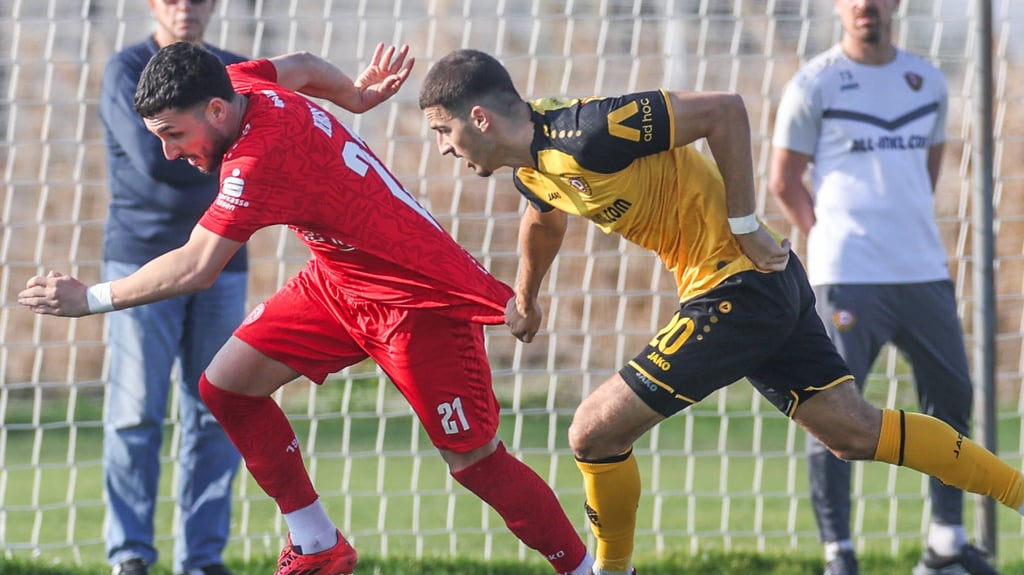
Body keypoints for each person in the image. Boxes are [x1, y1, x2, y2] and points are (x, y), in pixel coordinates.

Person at [417, 48, 1024, 575]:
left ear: (480, 118)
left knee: (593, 432)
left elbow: (725, 110)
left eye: (444, 130)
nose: (443, 147)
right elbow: (543, 218)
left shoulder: (590, 131)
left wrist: (745, 223)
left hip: (737, 287)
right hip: (761, 287)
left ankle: (611, 570)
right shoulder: (535, 163)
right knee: (854, 432)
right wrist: (526, 297)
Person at [20, 41, 596, 575]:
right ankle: (317, 543)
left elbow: (197, 266)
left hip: (412, 302)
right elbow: (300, 65)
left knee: (475, 462)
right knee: (227, 387)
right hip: (339, 281)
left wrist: (91, 298)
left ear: (217, 111)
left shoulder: (258, 158)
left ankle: (584, 568)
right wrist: (353, 96)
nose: (169, 152)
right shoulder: (239, 83)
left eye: (173, 135)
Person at [768, 1, 999, 574]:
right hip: (848, 276)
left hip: (922, 270)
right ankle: (839, 553)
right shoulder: (813, 84)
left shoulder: (928, 80)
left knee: (952, 397)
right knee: (832, 411)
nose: (865, 5)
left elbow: (927, 171)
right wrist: (830, 240)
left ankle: (945, 543)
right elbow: (783, 181)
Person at [98, 1, 246, 574]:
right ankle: (130, 555)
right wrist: (232, 154)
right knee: (136, 412)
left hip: (222, 263)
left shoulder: (234, 71)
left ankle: (202, 559)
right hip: (141, 264)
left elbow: (269, 148)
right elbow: (156, 161)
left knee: (216, 410)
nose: (185, 6)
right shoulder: (126, 70)